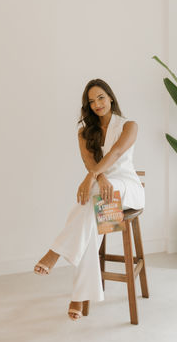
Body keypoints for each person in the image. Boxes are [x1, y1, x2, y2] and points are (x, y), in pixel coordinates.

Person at [34, 78, 145, 321]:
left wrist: (92, 178)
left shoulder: (129, 126)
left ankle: (55, 252)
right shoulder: (85, 132)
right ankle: (79, 295)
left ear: (111, 97)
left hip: (129, 190)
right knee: (93, 216)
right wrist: (98, 178)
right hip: (103, 195)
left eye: (101, 98)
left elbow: (115, 153)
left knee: (92, 198)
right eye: (91, 101)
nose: (97, 104)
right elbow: (89, 162)